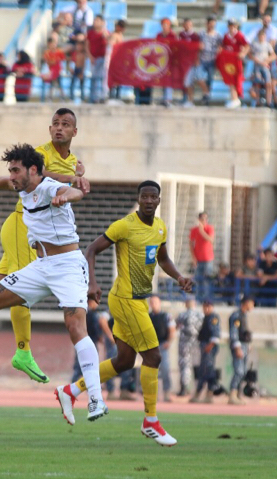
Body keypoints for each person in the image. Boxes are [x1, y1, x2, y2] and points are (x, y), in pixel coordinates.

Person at [0, 145, 110, 421]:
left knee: (75, 327)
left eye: (16, 170)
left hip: (68, 266)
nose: (12, 176)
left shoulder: (49, 187)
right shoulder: (23, 187)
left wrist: (67, 196)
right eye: (11, 171)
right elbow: (4, 181)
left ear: (33, 170)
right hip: (40, 266)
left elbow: (73, 192)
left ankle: (96, 399)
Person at [0, 110, 88, 382]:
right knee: (20, 290)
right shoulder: (42, 153)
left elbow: (64, 187)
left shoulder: (72, 160)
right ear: (49, 129)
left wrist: (78, 175)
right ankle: (23, 351)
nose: (59, 128)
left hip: (29, 231)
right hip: (21, 226)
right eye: (55, 124)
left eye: (65, 125)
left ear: (75, 132)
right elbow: (28, 177)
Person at [55, 181, 192, 444]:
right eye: (144, 196)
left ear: (159, 200)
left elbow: (163, 258)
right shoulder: (124, 226)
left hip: (139, 301)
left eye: (153, 197)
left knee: (125, 361)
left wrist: (179, 277)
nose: (148, 201)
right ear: (138, 199)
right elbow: (91, 249)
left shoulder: (160, 227)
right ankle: (150, 421)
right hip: (126, 300)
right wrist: (91, 283)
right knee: (153, 356)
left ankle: (71, 390)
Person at [191, 300, 221, 403]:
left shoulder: (213, 317)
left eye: (208, 306)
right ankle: (202, 394)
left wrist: (210, 345)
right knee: (204, 370)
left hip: (209, 347)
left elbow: (215, 334)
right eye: (205, 307)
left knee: (207, 370)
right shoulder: (206, 317)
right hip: (205, 346)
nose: (206, 309)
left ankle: (208, 394)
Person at [226, 296, 254, 405]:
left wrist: (248, 344)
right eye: (251, 303)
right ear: (246, 303)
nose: (252, 306)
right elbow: (234, 332)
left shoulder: (244, 315)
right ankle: (232, 394)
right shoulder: (236, 315)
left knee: (243, 371)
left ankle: (237, 394)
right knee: (239, 371)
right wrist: (237, 347)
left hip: (244, 345)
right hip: (239, 346)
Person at [175, 296, 203, 397]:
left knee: (185, 366)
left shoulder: (182, 315)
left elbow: (175, 327)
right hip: (197, 344)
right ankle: (197, 390)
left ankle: (184, 388)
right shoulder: (200, 315)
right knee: (197, 366)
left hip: (185, 344)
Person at [148, 296, 174, 403]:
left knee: (165, 369)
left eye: (155, 302)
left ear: (159, 303)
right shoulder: (148, 316)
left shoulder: (166, 316)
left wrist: (168, 342)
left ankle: (167, 393)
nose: (153, 304)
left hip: (162, 345)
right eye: (152, 302)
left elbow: (172, 330)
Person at [190, 211, 215, 301]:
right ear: (199, 219)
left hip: (208, 259)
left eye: (206, 219)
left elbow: (211, 239)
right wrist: (193, 258)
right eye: (202, 219)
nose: (204, 220)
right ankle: (199, 298)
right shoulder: (194, 230)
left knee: (207, 279)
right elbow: (191, 244)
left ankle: (207, 299)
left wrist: (202, 231)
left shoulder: (210, 228)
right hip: (198, 259)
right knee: (198, 279)